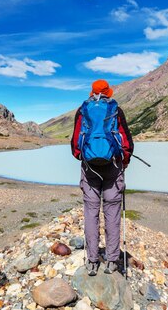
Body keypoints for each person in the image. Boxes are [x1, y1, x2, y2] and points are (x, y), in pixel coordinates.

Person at [70, 79, 133, 276]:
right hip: (113, 167)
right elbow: (126, 140)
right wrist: (124, 161)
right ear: (108, 93)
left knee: (91, 212)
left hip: (90, 168)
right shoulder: (115, 109)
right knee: (112, 212)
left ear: (92, 92)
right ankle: (112, 261)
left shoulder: (83, 110)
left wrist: (83, 157)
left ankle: (92, 260)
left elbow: (75, 145)